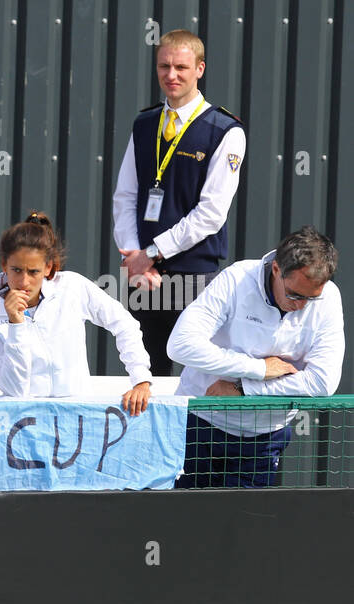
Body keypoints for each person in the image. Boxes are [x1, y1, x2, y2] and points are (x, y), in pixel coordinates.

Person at [112, 29, 246, 376]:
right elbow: (126, 195)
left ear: (200, 69)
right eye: (164, 66)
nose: (171, 75)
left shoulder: (224, 131)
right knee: (144, 373)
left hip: (194, 275)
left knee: (198, 375)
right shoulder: (144, 123)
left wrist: (152, 253)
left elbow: (211, 214)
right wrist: (132, 255)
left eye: (181, 67)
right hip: (143, 274)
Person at [168, 226, 342, 488]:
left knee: (243, 527)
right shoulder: (236, 279)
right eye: (294, 294)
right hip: (199, 424)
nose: (301, 306)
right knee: (180, 522)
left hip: (264, 439)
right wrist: (258, 369)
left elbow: (322, 382)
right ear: (276, 269)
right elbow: (180, 345)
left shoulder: (329, 299)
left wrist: (243, 388)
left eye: (311, 299)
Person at [0, 212, 152, 416]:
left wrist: (141, 380)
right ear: (4, 264)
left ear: (48, 268)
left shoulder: (72, 287)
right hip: (25, 423)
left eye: (33, 272)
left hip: (78, 417)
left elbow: (124, 324)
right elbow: (14, 390)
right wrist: (16, 325)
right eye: (16, 270)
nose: (24, 282)